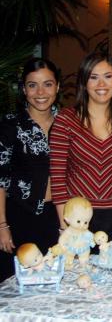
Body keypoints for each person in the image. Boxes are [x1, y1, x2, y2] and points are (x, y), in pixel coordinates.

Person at [50, 52, 112, 252]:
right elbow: (57, 177)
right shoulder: (66, 120)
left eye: (108, 76)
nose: (101, 84)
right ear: (84, 83)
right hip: (78, 218)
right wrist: (64, 226)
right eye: (93, 77)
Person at [0, 58, 60, 282]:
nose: (40, 92)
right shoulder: (10, 125)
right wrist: (2, 225)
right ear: (24, 89)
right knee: (16, 284)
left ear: (57, 87)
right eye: (32, 85)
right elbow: (1, 179)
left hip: (57, 218)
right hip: (18, 219)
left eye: (48, 83)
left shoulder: (66, 123)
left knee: (55, 282)